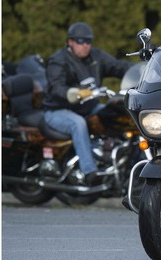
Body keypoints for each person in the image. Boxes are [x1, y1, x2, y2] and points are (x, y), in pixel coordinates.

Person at [42, 22, 134, 186]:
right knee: (78, 124)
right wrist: (73, 93)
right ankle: (89, 171)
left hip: (87, 108)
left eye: (88, 41)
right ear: (70, 42)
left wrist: (142, 71)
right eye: (80, 41)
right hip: (57, 110)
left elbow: (118, 66)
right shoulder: (59, 60)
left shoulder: (96, 57)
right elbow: (56, 87)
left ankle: (115, 159)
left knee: (118, 115)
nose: (85, 45)